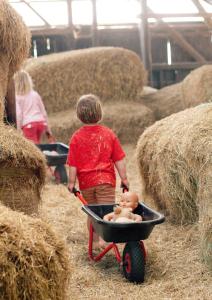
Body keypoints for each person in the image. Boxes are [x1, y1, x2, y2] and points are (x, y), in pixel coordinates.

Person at [67, 94, 129, 247]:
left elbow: (72, 164)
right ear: (100, 113)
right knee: (107, 211)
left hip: (86, 183)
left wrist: (71, 182)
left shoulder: (76, 137)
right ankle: (104, 239)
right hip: (105, 181)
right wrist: (124, 178)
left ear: (79, 115)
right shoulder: (108, 134)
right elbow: (118, 159)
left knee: (92, 212)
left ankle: (94, 241)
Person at [14, 70, 53, 144]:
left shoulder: (17, 97)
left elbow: (19, 115)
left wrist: (18, 131)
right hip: (41, 123)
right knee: (38, 145)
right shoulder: (35, 94)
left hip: (29, 125)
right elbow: (44, 112)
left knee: (34, 149)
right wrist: (48, 131)